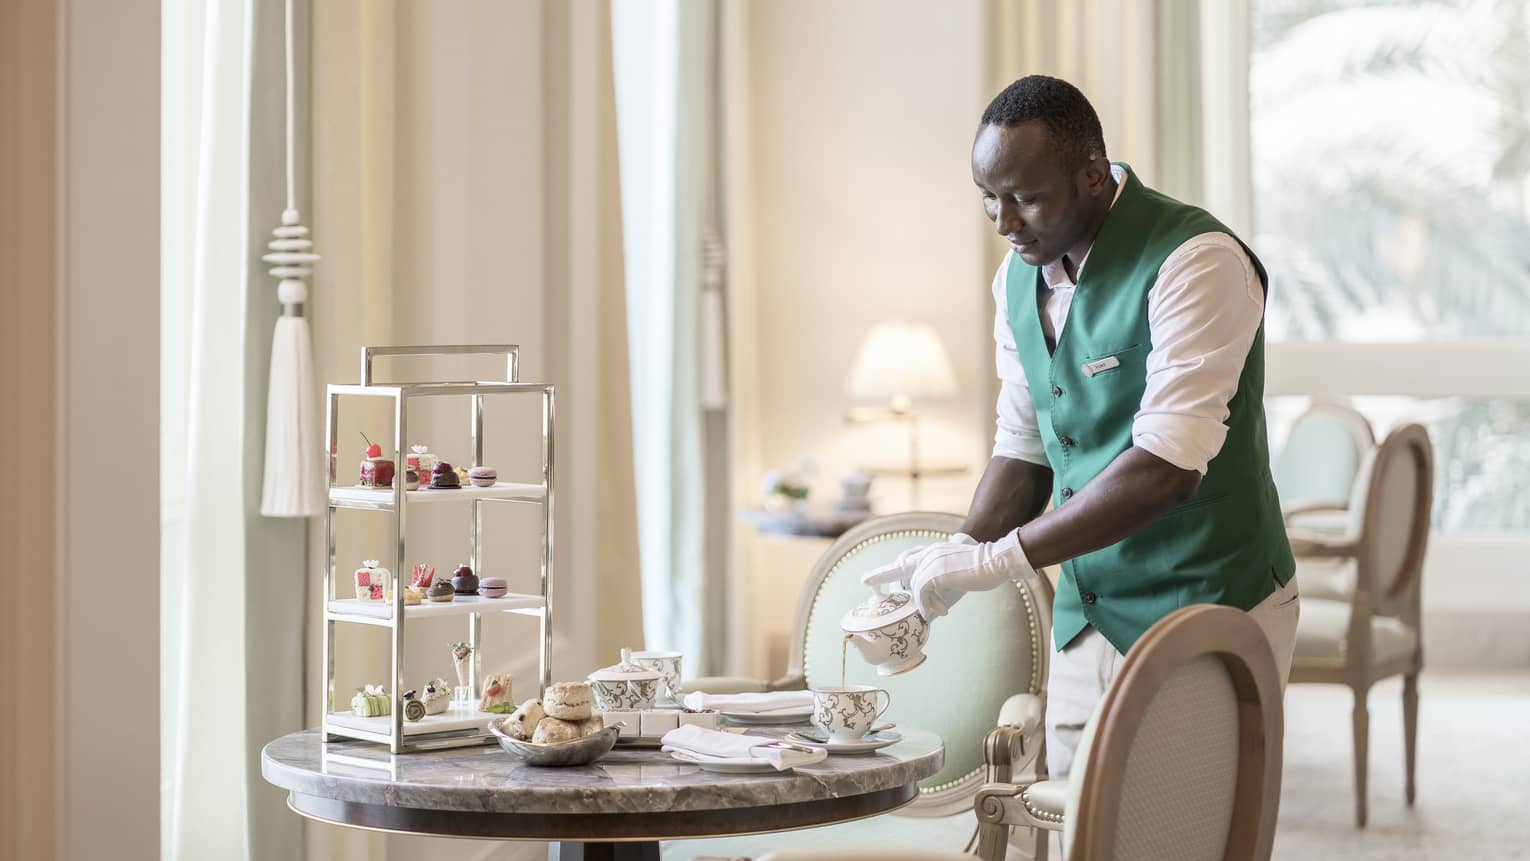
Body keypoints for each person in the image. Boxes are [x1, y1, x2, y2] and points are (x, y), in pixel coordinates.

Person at [863, 75, 1300, 782]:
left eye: (1026, 196)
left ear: (1094, 175)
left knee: (1181, 829)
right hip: (1089, 609)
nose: (1004, 221)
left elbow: (1166, 467)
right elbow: (1024, 447)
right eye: (988, 198)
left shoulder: (1197, 260)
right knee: (1079, 826)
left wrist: (1000, 560)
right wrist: (954, 555)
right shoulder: (1015, 280)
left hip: (1211, 594)